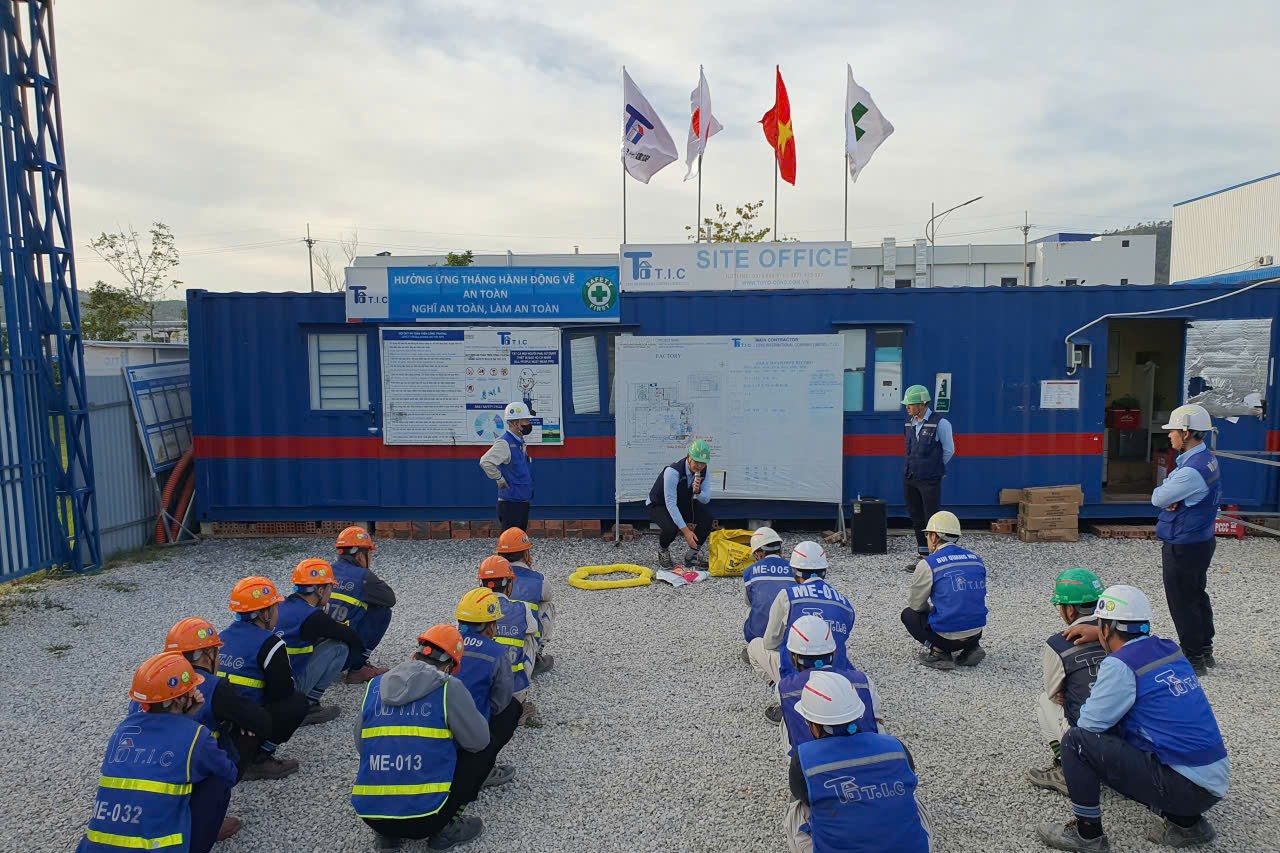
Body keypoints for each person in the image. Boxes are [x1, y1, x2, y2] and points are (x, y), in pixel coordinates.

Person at [1037, 585, 1229, 852]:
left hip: (1184, 789)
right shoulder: (1169, 649)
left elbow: (1089, 725)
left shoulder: (1121, 665)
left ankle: (1087, 835)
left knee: (1076, 742)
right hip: (1212, 782)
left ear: (1106, 628)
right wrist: (1102, 633)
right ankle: (1188, 824)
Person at [79, 653, 240, 853]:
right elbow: (228, 773)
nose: (196, 691)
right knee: (216, 781)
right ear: (181, 699)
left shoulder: (122, 730)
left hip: (93, 848)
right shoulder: (195, 735)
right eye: (192, 689)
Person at [352, 625, 491, 851]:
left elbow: (361, 744)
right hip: (427, 818)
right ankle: (446, 830)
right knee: (479, 753)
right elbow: (479, 741)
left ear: (414, 655)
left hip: (371, 815)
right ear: (449, 666)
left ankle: (387, 836)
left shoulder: (375, 686)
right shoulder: (448, 687)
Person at [785, 670, 932, 853]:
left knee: (798, 803)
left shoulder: (804, 759)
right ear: (858, 714)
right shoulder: (895, 747)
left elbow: (802, 795)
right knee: (910, 794)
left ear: (813, 725)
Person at [157, 617, 286, 782]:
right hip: (195, 774)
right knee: (248, 730)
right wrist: (239, 722)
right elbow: (262, 722)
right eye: (218, 651)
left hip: (153, 767)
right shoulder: (215, 687)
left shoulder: (151, 687)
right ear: (208, 654)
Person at [1152, 404, 1223, 675]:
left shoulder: (1190, 471)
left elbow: (1158, 498)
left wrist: (1171, 495)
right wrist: (1176, 495)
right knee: (1196, 595)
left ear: (1186, 432)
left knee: (1182, 601)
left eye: (1173, 431)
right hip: (1201, 539)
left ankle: (1193, 658)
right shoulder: (1206, 459)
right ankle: (1205, 650)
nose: (1169, 436)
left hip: (1183, 544)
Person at [218, 576, 312, 773]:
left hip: (220, 721)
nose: (278, 612)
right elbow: (283, 692)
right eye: (275, 607)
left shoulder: (222, 637)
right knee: (296, 703)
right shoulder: (270, 643)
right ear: (264, 613)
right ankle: (259, 757)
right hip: (246, 725)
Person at [1027, 569, 1107, 796]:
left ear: (1070, 609)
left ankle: (1067, 768)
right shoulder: (1121, 635)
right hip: (1128, 741)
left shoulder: (1058, 644)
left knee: (1045, 700)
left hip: (1088, 740)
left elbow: (1054, 693)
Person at [747, 541, 854, 688]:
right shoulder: (845, 603)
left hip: (797, 677)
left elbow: (770, 642)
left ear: (795, 571)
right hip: (837, 677)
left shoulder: (787, 596)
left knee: (755, 646)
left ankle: (781, 690)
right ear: (824, 570)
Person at [274, 559, 366, 719]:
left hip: (269, 689)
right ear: (321, 590)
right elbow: (352, 638)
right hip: (289, 691)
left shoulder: (279, 606)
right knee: (339, 647)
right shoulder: (313, 616)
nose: (330, 594)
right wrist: (357, 663)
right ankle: (309, 705)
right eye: (330, 588)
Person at [775, 615, 881, 748]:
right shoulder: (863, 681)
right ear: (834, 653)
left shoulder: (784, 688)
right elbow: (877, 721)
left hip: (810, 757)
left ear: (794, 658)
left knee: (786, 719)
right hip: (866, 750)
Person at [901, 511, 988, 670]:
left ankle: (939, 652)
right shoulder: (976, 559)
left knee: (908, 615)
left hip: (946, 638)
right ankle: (972, 647)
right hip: (976, 630)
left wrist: (930, 610)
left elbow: (916, 605)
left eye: (927, 535)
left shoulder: (929, 564)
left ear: (934, 537)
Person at [454, 588, 522, 789]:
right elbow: (501, 701)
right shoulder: (496, 652)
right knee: (512, 709)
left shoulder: (443, 644)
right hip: (469, 733)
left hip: (434, 726)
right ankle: (481, 770)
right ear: (491, 627)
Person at [477, 555, 540, 725]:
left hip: (476, 691)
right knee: (529, 637)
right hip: (513, 689)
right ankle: (520, 701)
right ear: (509, 584)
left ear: (481, 585)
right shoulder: (522, 608)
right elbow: (533, 630)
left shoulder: (469, 611)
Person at [329, 525, 396, 684]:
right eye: (370, 554)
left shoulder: (326, 571)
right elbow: (389, 599)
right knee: (382, 611)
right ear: (360, 556)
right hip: (341, 656)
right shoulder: (363, 576)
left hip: (317, 657)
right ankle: (357, 668)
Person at [901, 384, 955, 571]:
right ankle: (923, 556)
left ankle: (936, 558)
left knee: (932, 519)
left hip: (929, 480)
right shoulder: (909, 423)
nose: (907, 407)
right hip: (910, 478)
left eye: (911, 404)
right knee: (916, 518)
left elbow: (949, 450)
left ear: (922, 404)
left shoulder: (941, 423)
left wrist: (935, 467)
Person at [495, 526, 555, 675]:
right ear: (526, 554)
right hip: (520, 653)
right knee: (546, 605)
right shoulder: (538, 580)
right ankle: (536, 654)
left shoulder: (491, 580)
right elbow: (548, 595)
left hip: (492, 651)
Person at [646, 439, 714, 569]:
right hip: (659, 504)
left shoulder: (704, 471)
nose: (699, 466)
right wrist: (686, 532)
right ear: (689, 457)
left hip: (682, 501)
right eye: (696, 462)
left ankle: (692, 555)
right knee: (671, 528)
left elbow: (706, 499)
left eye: (703, 463)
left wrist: (698, 491)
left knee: (707, 518)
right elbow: (670, 504)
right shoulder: (673, 471)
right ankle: (663, 550)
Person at [478, 401, 535, 534]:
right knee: (510, 542)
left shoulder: (520, 442)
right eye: (526, 420)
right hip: (511, 504)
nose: (529, 424)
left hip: (521, 500)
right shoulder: (505, 443)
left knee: (519, 541)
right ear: (515, 423)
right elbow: (485, 461)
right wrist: (499, 479)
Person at [741, 527, 795, 663]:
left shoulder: (749, 572)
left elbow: (749, 601)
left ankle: (754, 648)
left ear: (759, 553)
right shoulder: (793, 570)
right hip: (792, 638)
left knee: (750, 607)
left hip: (759, 636)